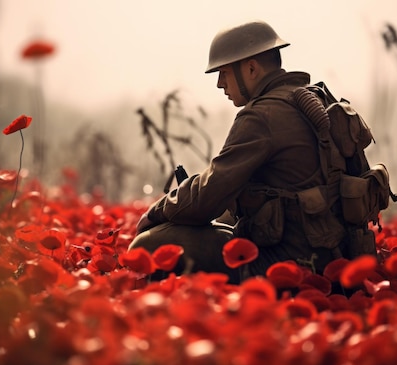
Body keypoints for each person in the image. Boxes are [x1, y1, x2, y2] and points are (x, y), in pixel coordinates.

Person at [129, 20, 348, 284]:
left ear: (251, 68)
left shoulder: (261, 116)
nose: (221, 84)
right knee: (225, 214)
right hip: (338, 251)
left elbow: (207, 198)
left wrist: (155, 212)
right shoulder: (316, 98)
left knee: (149, 244)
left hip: (293, 263)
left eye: (224, 73)